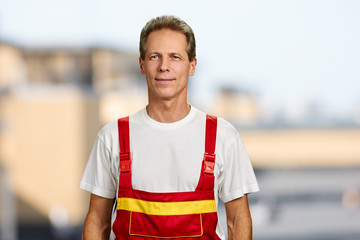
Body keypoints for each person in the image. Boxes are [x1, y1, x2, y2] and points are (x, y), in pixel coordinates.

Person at [79, 15, 259, 240]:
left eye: (175, 57)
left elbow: (237, 221)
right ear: (142, 65)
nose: (164, 67)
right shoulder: (112, 137)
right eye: (155, 56)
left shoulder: (222, 136)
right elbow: (98, 221)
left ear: (192, 65)